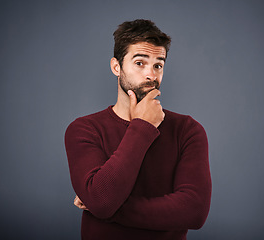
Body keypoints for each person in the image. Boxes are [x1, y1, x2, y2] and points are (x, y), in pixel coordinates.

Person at [65, 19, 212, 240]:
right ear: (117, 67)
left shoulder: (188, 130)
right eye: (140, 63)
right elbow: (101, 201)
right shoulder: (84, 129)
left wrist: (103, 206)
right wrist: (143, 127)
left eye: (158, 65)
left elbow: (195, 211)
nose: (151, 75)